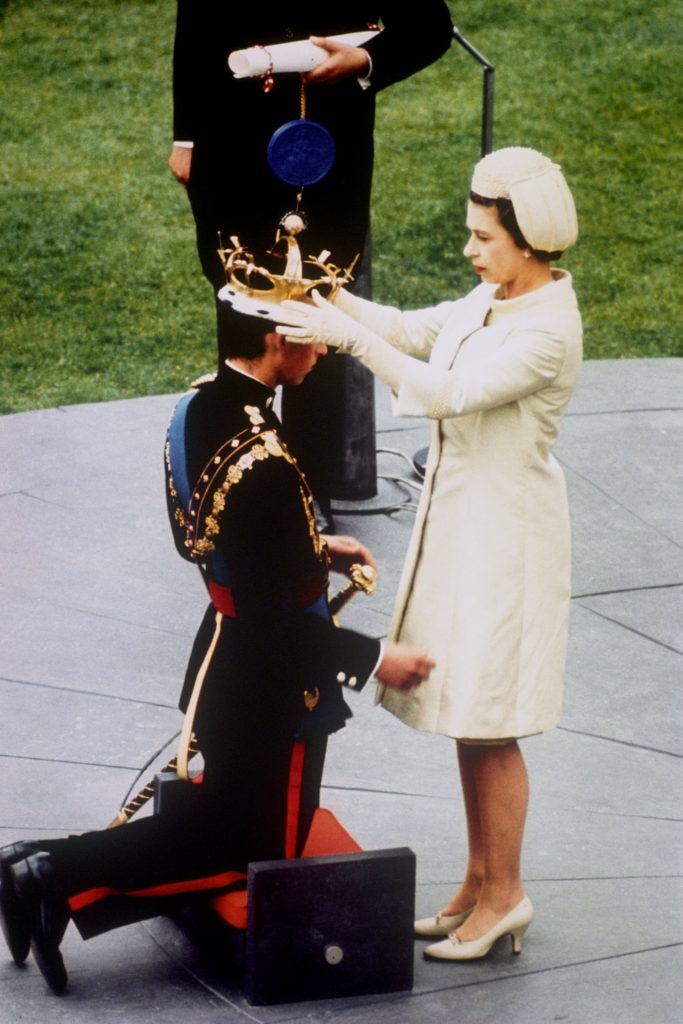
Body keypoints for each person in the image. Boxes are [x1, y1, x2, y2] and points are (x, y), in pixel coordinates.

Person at [0, 303, 434, 994]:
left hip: (223, 657)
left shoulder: (198, 407)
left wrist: (312, 550)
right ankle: (51, 873)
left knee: (225, 820)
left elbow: (229, 544)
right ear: (273, 341)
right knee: (256, 847)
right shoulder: (262, 454)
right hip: (274, 684)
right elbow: (278, 620)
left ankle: (39, 869)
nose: (321, 354)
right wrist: (376, 658)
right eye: (310, 341)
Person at [276, 146, 583, 961]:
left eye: (484, 237)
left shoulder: (548, 329)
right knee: (467, 720)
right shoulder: (496, 295)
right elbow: (415, 331)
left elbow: (441, 393)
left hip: (507, 538)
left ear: (527, 242)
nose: (470, 251)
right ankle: (479, 885)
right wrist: (333, 298)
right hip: (465, 524)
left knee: (492, 720)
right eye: (472, 234)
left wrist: (338, 334)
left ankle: (506, 895)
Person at [168, 3, 453, 528]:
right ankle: (233, 481)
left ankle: (306, 495)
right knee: (242, 309)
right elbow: (197, 18)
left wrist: (365, 62)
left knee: (322, 316)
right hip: (230, 140)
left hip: (328, 149)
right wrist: (185, 135)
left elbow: (430, 26)